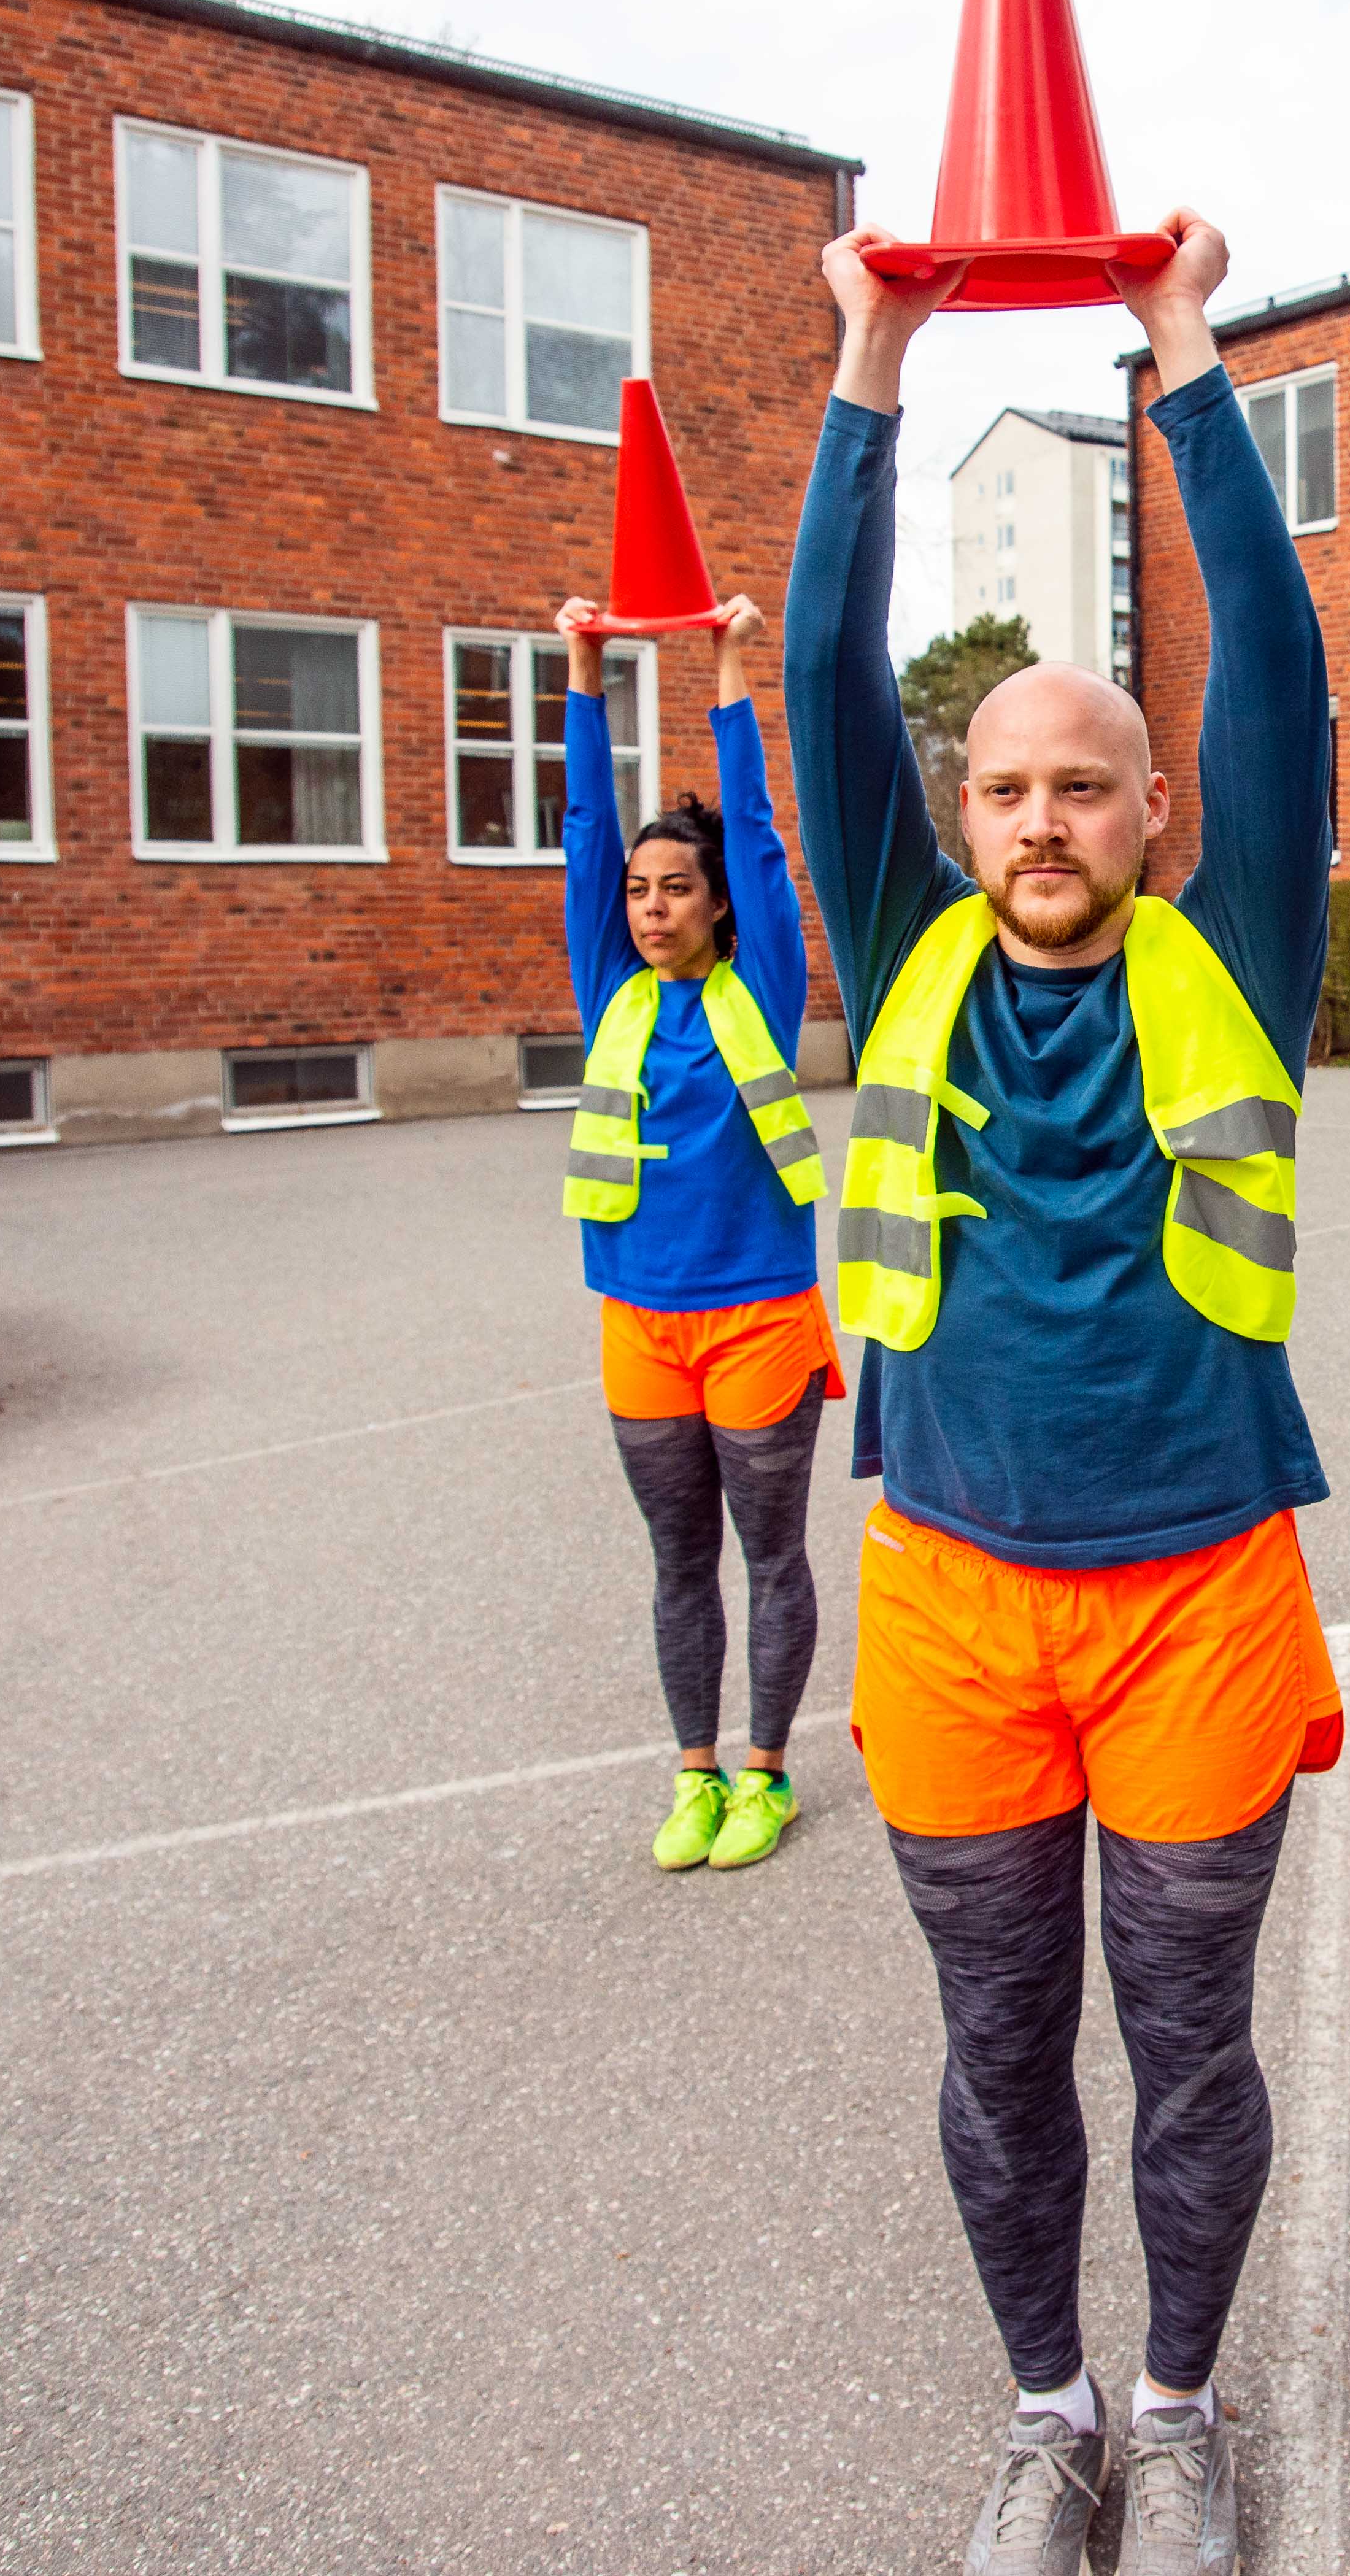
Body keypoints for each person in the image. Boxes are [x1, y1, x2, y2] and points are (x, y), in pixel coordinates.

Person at [786, 207, 1335, 2576]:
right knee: (1004, 2050)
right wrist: (874, 364)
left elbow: (1286, 680)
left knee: (1187, 2053)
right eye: (1004, 785)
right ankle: (1049, 2416)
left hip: (1201, 1587)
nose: (1039, 823)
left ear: (1153, 821)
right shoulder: (905, 946)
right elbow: (825, 674)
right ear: (964, 811)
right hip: (946, 1593)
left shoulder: (1247, 949)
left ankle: (1185, 2412)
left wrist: (1186, 354)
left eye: (1087, 786)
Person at [548, 588, 836, 1876]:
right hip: (639, 1321)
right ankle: (693, 1771)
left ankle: (766, 1769)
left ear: (720, 908)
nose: (651, 904)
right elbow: (579, 836)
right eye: (640, 890)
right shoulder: (608, 986)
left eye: (678, 888)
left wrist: (724, 666)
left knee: (769, 1551)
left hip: (762, 1312)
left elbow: (763, 838)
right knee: (679, 1559)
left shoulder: (760, 985)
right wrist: (583, 673)